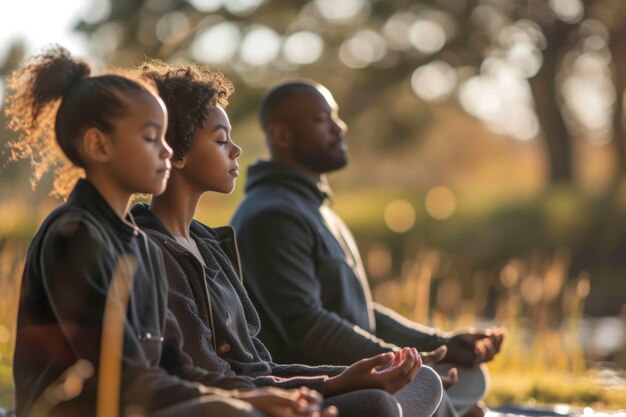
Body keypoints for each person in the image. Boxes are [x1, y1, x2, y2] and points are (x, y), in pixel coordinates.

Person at [7, 47, 333, 417]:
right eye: (151, 138)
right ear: (99, 145)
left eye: (166, 137)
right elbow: (116, 377)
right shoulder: (72, 235)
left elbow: (175, 367)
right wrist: (241, 401)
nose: (167, 151)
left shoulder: (139, 243)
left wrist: (281, 393)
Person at [131, 60, 443, 417]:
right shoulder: (153, 250)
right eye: (220, 140)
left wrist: (344, 376)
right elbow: (212, 379)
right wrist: (333, 385)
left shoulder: (210, 247)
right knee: (377, 404)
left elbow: (260, 366)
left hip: (264, 390)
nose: (236, 150)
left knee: (422, 381)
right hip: (230, 407)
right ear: (177, 153)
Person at [230, 80, 506, 417]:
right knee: (448, 393)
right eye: (322, 120)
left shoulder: (313, 208)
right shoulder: (272, 216)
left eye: (336, 117)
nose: (339, 127)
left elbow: (358, 310)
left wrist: (437, 343)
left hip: (367, 373)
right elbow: (308, 326)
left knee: (471, 377)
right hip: (326, 385)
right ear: (282, 135)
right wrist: (401, 364)